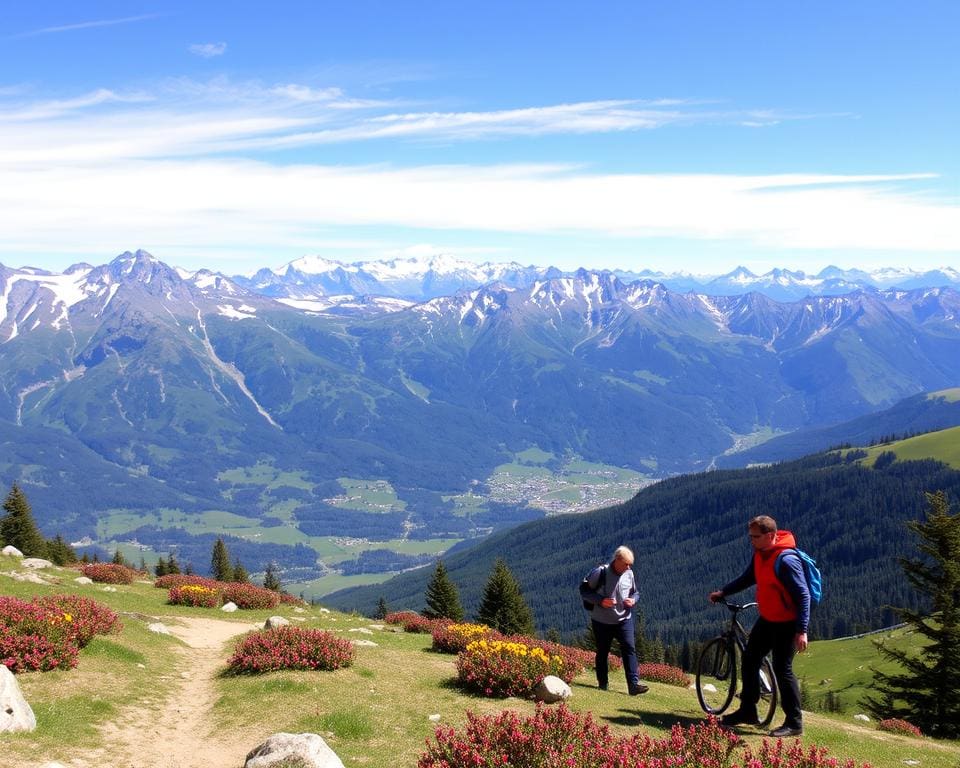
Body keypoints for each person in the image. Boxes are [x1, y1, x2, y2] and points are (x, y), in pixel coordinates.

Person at [708, 515, 810, 738]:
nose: (751, 541)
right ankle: (748, 711)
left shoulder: (786, 560)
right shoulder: (761, 555)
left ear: (771, 536)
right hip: (768, 619)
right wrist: (723, 592)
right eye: (750, 536)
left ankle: (794, 723)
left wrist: (801, 630)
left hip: (787, 624)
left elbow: (803, 595)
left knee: (783, 669)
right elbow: (747, 578)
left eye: (755, 537)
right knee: (750, 658)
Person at [582, 545, 648, 695]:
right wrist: (600, 600)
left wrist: (633, 599)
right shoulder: (600, 572)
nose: (629, 567)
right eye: (626, 564)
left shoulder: (629, 573)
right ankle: (603, 684)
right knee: (603, 651)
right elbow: (584, 591)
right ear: (617, 560)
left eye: (630, 564)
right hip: (602, 622)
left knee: (629, 648)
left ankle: (633, 685)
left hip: (624, 619)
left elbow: (636, 592)